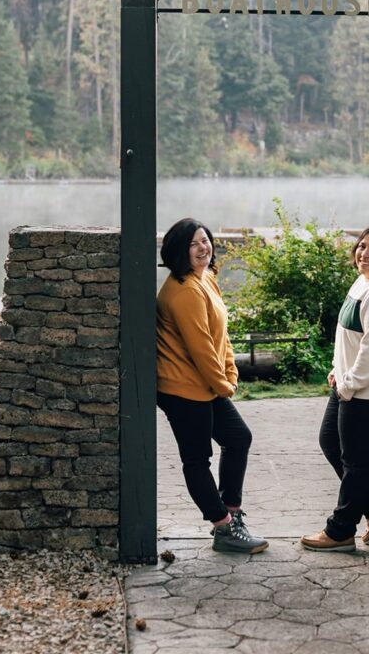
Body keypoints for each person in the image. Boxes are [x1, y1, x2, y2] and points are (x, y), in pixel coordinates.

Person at [156, 217, 268, 554]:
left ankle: (231, 513)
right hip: (182, 387)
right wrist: (223, 384)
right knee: (197, 459)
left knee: (238, 437)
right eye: (194, 244)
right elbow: (200, 347)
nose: (203, 248)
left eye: (205, 240)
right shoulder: (184, 291)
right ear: (179, 251)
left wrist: (229, 373)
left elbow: (221, 336)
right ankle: (223, 528)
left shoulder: (206, 278)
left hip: (205, 384)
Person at [301, 224, 369, 553]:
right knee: (330, 442)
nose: (365, 254)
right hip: (350, 386)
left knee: (356, 463)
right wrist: (337, 371)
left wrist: (349, 385)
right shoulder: (364, 282)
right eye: (362, 246)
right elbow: (345, 335)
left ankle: (341, 530)